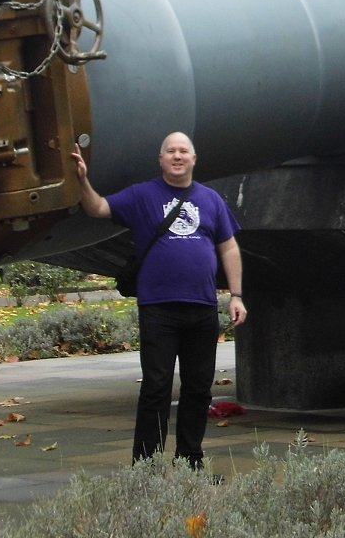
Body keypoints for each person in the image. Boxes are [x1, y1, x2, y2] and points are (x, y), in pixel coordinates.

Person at [72, 132, 246, 468]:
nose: (177, 156)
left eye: (184, 151)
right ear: (161, 159)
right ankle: (147, 466)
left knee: (199, 389)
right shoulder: (143, 195)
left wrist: (236, 295)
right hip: (159, 309)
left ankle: (190, 460)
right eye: (171, 151)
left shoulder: (211, 200)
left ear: (194, 159)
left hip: (202, 308)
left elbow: (229, 247)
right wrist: (82, 180)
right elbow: (97, 207)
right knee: (156, 387)